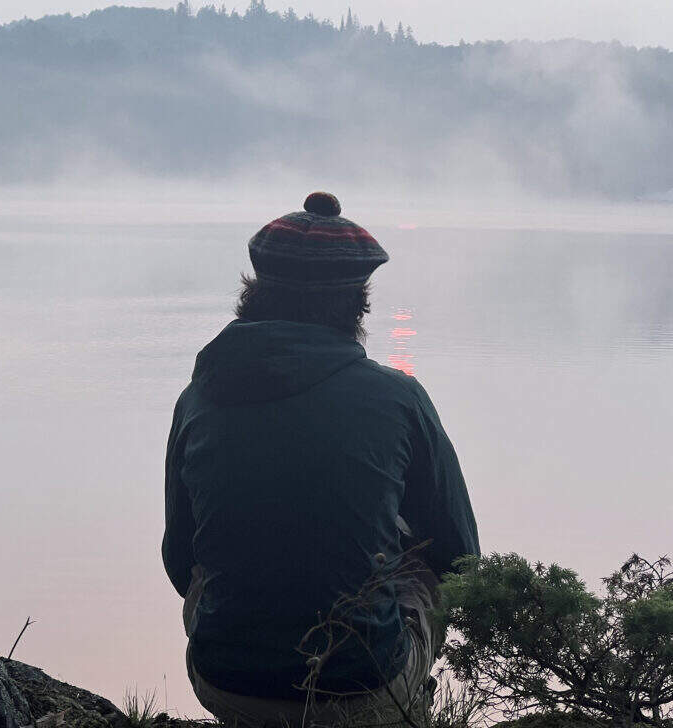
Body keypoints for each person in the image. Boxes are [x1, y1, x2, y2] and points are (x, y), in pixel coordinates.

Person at [163, 192, 479, 727]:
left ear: (256, 291)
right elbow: (461, 556)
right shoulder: (398, 398)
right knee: (420, 558)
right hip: (363, 685)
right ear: (358, 300)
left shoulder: (197, 398)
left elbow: (179, 559)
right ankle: (404, 715)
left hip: (226, 681)